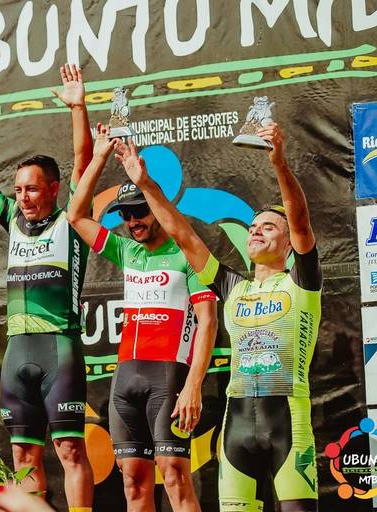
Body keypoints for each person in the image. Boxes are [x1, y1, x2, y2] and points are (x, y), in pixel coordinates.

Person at [113, 124, 320, 512]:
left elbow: (301, 221)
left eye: (268, 227)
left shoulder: (301, 284)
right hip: (235, 425)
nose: (256, 232)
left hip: (288, 423)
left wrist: (278, 163)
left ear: (289, 243)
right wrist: (146, 185)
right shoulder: (233, 286)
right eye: (253, 227)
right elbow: (184, 236)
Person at [0, 64, 94, 510]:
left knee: (70, 450)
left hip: (58, 348)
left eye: (32, 189)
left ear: (54, 189)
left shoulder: (72, 221)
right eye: (18, 190)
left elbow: (84, 162)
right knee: (22, 456)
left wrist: (78, 107)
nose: (23, 197)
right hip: (17, 351)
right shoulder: (14, 222)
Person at [67, 124, 217, 512]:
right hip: (126, 378)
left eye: (140, 212)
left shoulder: (187, 254)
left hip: (170, 377)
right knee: (133, 481)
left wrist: (194, 385)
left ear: (157, 209)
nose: (133, 221)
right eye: (126, 215)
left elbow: (208, 321)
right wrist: (99, 157)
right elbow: (76, 216)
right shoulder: (126, 250)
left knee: (174, 476)